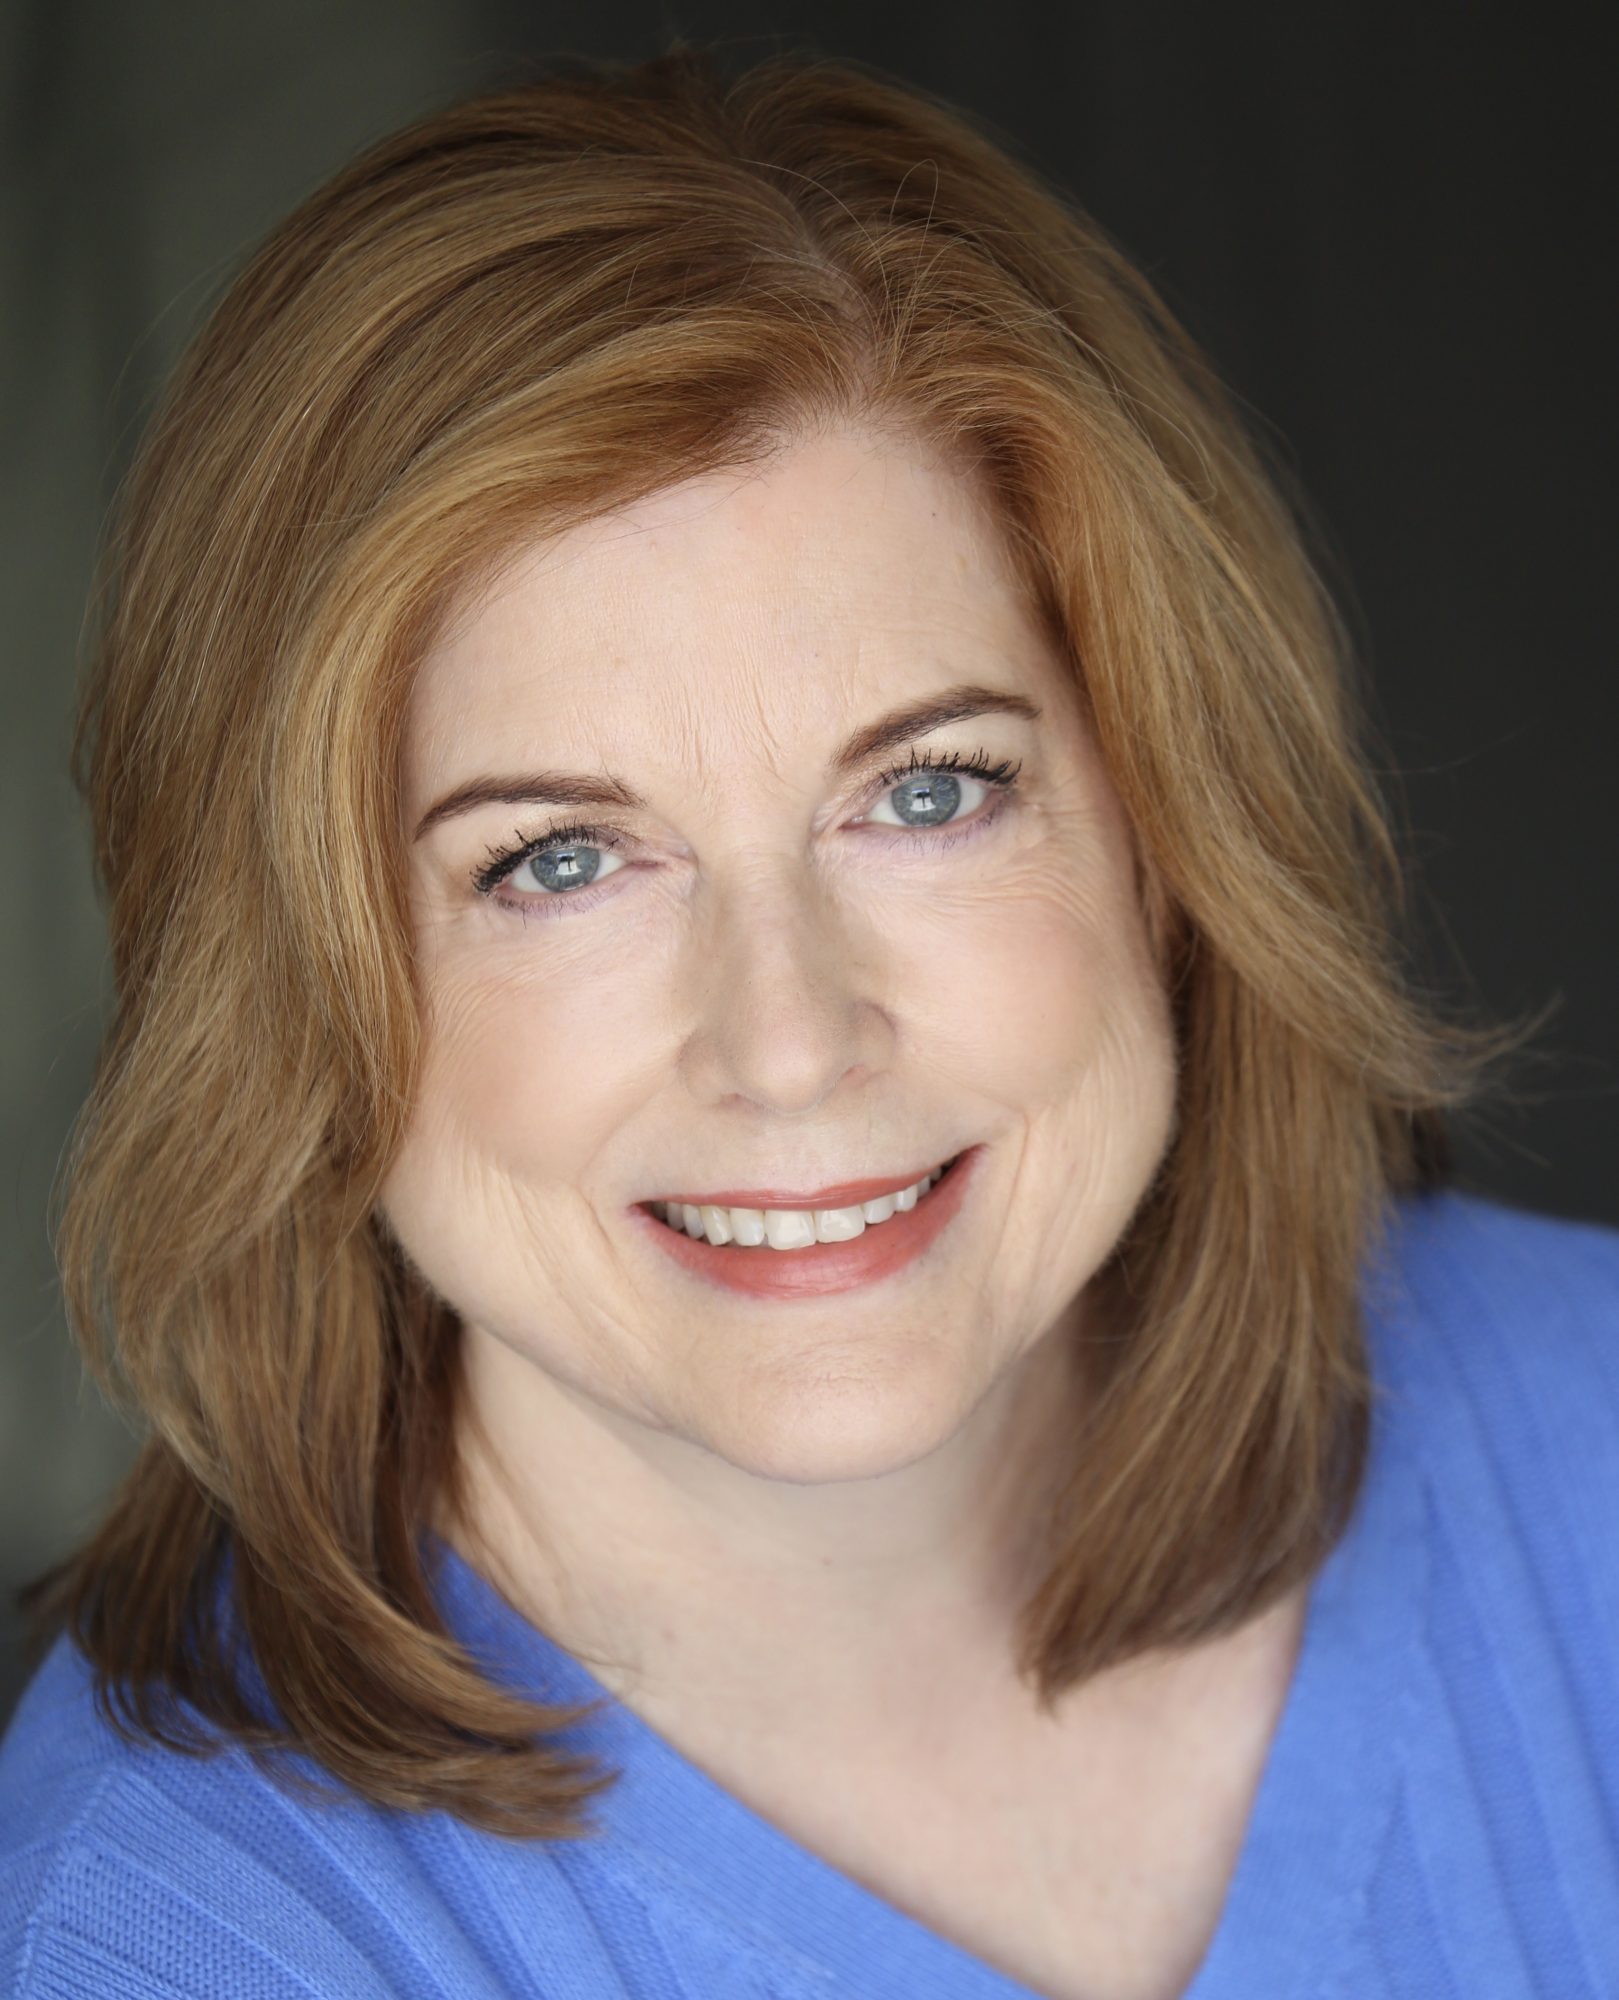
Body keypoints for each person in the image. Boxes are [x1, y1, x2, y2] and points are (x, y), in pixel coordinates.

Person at [2, 40, 1616, 2000]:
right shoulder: (175, 1938)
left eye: (927, 792)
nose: (787, 1041)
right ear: (294, 993)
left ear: (1167, 833)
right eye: (556, 860)